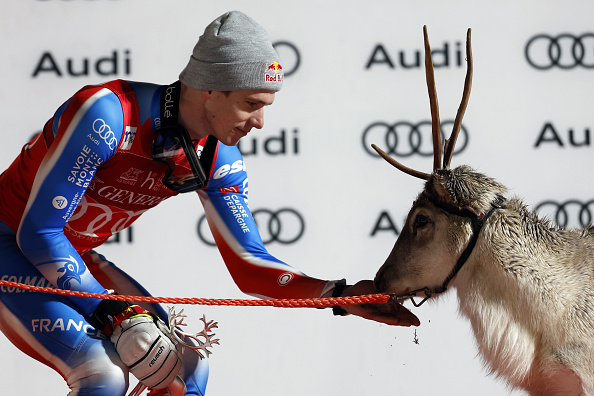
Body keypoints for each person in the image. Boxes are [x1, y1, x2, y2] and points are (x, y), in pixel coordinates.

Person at [0, 10, 419, 396]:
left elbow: (250, 264)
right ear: (207, 89)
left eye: (265, 107)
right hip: (11, 244)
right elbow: (39, 232)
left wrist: (338, 295)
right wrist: (117, 313)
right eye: (250, 104)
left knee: (184, 369)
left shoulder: (219, 157)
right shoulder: (107, 115)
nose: (259, 123)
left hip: (70, 253)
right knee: (102, 372)